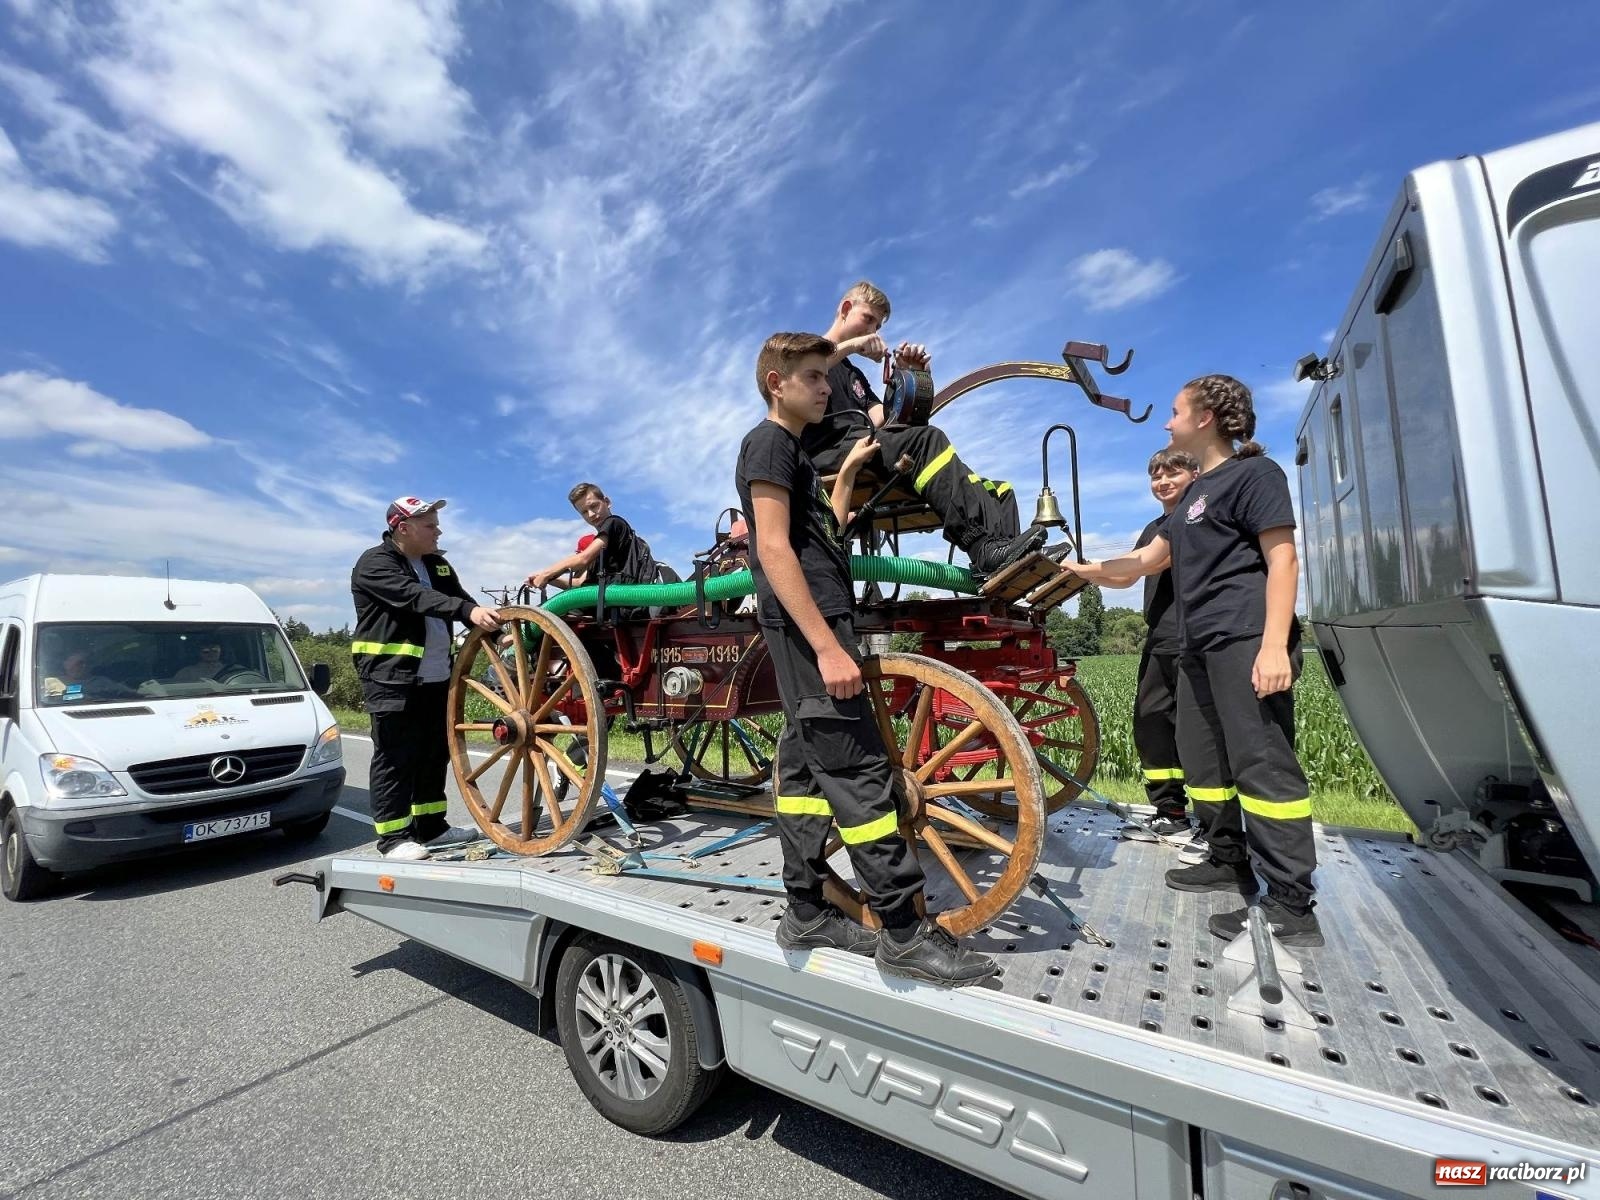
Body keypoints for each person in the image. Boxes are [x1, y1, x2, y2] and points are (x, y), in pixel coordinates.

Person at [737, 330, 999, 986]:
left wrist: (848, 474)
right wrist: (826, 646)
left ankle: (805, 911)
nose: (828, 387)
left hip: (820, 622)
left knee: (802, 774)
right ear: (778, 383)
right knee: (859, 775)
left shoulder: (793, 453)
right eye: (814, 378)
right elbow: (773, 550)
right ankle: (904, 935)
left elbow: (818, 531)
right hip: (811, 631)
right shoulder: (767, 442)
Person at [1068, 376, 1321, 947]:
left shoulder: (1256, 475)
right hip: (1197, 646)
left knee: (1261, 762)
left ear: (1205, 417)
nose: (1168, 421)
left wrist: (1275, 645)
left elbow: (1282, 561)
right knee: (1204, 761)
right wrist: (1079, 571)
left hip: (1244, 638)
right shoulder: (1192, 500)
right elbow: (1142, 562)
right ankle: (1227, 858)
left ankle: (1291, 903)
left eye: (1176, 410)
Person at [806, 280, 1045, 575]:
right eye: (868, 319)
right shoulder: (810, 349)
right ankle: (981, 546)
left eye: (878, 326)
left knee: (999, 490)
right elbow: (808, 369)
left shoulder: (855, 375)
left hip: (866, 444)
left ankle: (1010, 560)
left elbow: (885, 417)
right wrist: (853, 345)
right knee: (927, 439)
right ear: (845, 309)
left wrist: (910, 376)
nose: (872, 331)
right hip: (828, 451)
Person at [351, 496, 502, 861]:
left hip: (436, 678)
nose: (439, 530)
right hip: (392, 678)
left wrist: (500, 634)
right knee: (396, 756)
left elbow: (463, 602)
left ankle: (432, 828)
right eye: (430, 525)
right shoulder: (375, 564)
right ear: (403, 528)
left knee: (434, 753)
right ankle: (393, 839)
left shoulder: (438, 565)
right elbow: (415, 598)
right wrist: (466, 609)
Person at [1119, 448, 1201, 845]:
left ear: (1195, 474)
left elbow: (1144, 565)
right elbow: (1127, 571)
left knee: (1196, 731)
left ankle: (1213, 823)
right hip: (1159, 638)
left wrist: (1087, 570)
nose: (1163, 481)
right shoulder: (1154, 527)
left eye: (1173, 472)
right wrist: (1075, 572)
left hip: (1195, 639)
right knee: (1151, 722)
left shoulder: (1199, 520)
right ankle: (1170, 812)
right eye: (1156, 475)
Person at [526, 484, 666, 592]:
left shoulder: (615, 523)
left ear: (607, 502)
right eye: (584, 512)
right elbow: (580, 584)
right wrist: (549, 579)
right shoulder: (602, 550)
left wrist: (546, 573)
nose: (591, 514)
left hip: (618, 601)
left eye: (594, 506)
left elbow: (583, 559)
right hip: (603, 604)